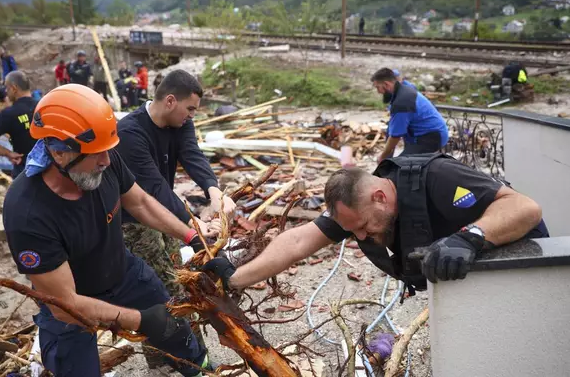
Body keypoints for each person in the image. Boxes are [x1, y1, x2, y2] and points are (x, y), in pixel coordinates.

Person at [2, 84, 212, 377]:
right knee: (74, 367)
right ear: (59, 153)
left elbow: (140, 203)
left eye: (107, 151)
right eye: (96, 154)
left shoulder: (102, 158)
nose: (107, 161)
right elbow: (66, 305)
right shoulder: (27, 213)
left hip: (122, 272)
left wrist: (194, 238)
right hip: (69, 302)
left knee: (174, 327)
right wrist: (140, 320)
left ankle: (200, 369)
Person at [203, 153, 548, 295]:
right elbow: (296, 242)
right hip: (468, 282)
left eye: (364, 226)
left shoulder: (438, 177)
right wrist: (236, 278)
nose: (362, 236)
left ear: (380, 197)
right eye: (354, 231)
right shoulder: (355, 212)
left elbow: (526, 208)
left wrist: (471, 237)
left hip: (523, 268)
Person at [117, 70, 234, 369]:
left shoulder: (180, 122)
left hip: (165, 215)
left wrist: (214, 191)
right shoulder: (130, 132)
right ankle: (184, 362)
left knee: (181, 281)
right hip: (134, 223)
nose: (192, 116)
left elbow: (192, 154)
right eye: (190, 109)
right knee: (161, 289)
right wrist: (195, 223)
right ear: (170, 100)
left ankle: (180, 358)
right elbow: (152, 186)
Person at [371, 68, 448, 162]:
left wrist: (383, 157)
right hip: (420, 134)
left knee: (400, 166)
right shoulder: (401, 90)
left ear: (387, 84)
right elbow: (392, 130)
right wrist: (387, 157)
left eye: (378, 87)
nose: (378, 92)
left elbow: (395, 136)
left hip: (431, 137)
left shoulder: (402, 103)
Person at [0, 71, 37, 178]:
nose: (5, 91)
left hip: (24, 173)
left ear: (14, 88)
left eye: (6, 88)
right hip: (49, 173)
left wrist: (8, 153)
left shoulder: (8, 114)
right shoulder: (44, 107)